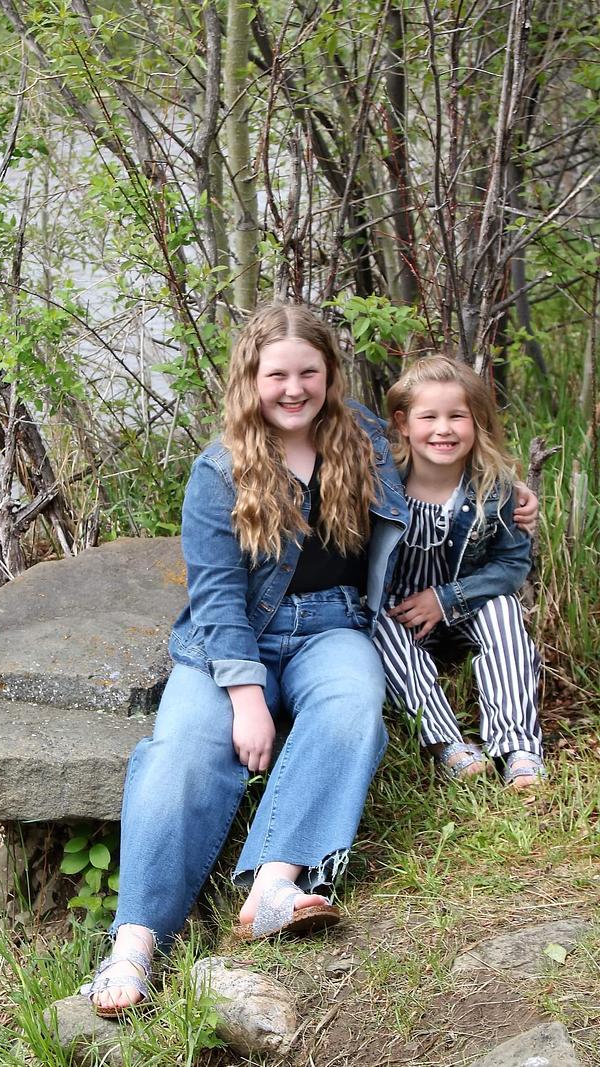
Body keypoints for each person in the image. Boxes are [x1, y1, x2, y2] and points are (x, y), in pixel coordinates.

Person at [82, 308, 538, 1017]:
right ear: (250, 378)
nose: (294, 388)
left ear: (330, 374)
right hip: (231, 639)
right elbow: (216, 595)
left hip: (334, 625)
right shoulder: (219, 469)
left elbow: (436, 452)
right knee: (182, 751)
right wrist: (246, 697)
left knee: (352, 705)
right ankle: (136, 941)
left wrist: (507, 499)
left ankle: (275, 882)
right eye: (277, 375)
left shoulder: (361, 437)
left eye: (309, 372)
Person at [373, 355, 545, 790]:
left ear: (477, 422)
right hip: (402, 612)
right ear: (403, 423)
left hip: (465, 603)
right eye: (428, 417)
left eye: (457, 416)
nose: (443, 429)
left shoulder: (494, 489)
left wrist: (447, 599)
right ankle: (448, 743)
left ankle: (518, 746)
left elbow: (511, 565)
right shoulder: (380, 484)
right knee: (376, 623)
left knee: (504, 609)